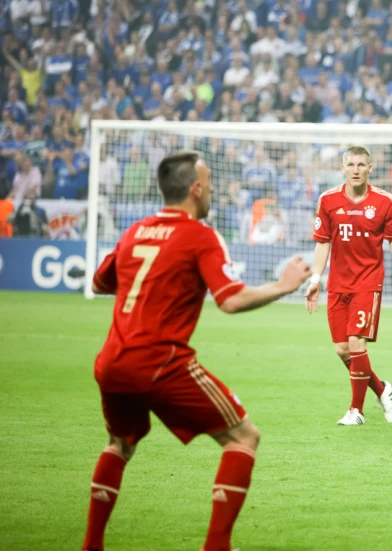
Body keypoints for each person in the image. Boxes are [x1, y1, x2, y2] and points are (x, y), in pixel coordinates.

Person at [82, 151, 311, 551]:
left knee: (120, 444)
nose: (212, 190)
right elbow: (231, 299)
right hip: (161, 362)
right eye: (209, 182)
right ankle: (216, 546)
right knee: (243, 437)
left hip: (112, 363)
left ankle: (91, 545)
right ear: (195, 188)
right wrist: (283, 286)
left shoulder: (135, 231)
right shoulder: (199, 235)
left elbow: (102, 283)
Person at [304, 145, 392, 425]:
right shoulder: (328, 200)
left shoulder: (384, 201)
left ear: (370, 168)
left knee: (357, 343)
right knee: (343, 350)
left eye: (361, 165)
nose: (356, 170)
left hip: (368, 283)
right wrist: (315, 280)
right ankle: (382, 390)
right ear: (343, 168)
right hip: (337, 285)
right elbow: (323, 242)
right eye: (351, 165)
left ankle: (356, 411)